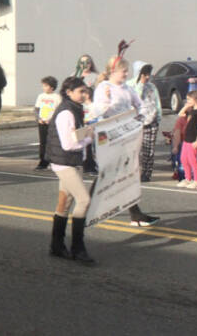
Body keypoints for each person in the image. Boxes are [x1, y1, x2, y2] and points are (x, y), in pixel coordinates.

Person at [93, 55, 160, 227]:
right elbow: (97, 111)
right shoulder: (103, 87)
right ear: (113, 71)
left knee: (126, 175)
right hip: (109, 137)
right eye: (124, 71)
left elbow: (141, 105)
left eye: (126, 71)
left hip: (125, 136)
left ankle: (135, 215)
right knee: (110, 175)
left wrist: (139, 120)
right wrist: (107, 101)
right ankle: (87, 206)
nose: (126, 74)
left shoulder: (126, 88)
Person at [47, 76, 96, 264]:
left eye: (86, 91)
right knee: (84, 200)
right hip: (64, 162)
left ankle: (56, 245)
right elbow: (68, 144)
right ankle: (78, 248)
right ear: (69, 92)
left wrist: (86, 133)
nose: (85, 94)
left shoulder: (75, 109)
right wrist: (89, 139)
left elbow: (74, 136)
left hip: (71, 161)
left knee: (65, 203)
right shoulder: (66, 113)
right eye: (81, 91)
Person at [127, 61, 162, 182]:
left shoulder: (152, 86)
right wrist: (141, 84)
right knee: (134, 149)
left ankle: (147, 174)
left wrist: (158, 117)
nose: (147, 77)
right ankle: (132, 173)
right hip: (135, 122)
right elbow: (136, 99)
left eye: (148, 74)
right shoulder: (130, 85)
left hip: (151, 121)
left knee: (149, 150)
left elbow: (156, 102)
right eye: (144, 74)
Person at [175, 91, 197, 189]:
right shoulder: (191, 111)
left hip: (193, 140)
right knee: (184, 159)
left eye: (189, 99)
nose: (187, 101)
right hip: (186, 140)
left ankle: (196, 180)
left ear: (195, 99)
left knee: (192, 161)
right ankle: (188, 178)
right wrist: (186, 107)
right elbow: (180, 114)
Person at [34, 76, 61, 171]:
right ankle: (43, 161)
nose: (43, 88)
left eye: (46, 86)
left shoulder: (57, 97)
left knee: (53, 142)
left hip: (52, 123)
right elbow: (37, 109)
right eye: (43, 86)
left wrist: (51, 120)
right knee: (43, 142)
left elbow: (59, 111)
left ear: (52, 87)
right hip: (42, 122)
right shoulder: (41, 96)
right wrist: (39, 118)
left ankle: (54, 161)